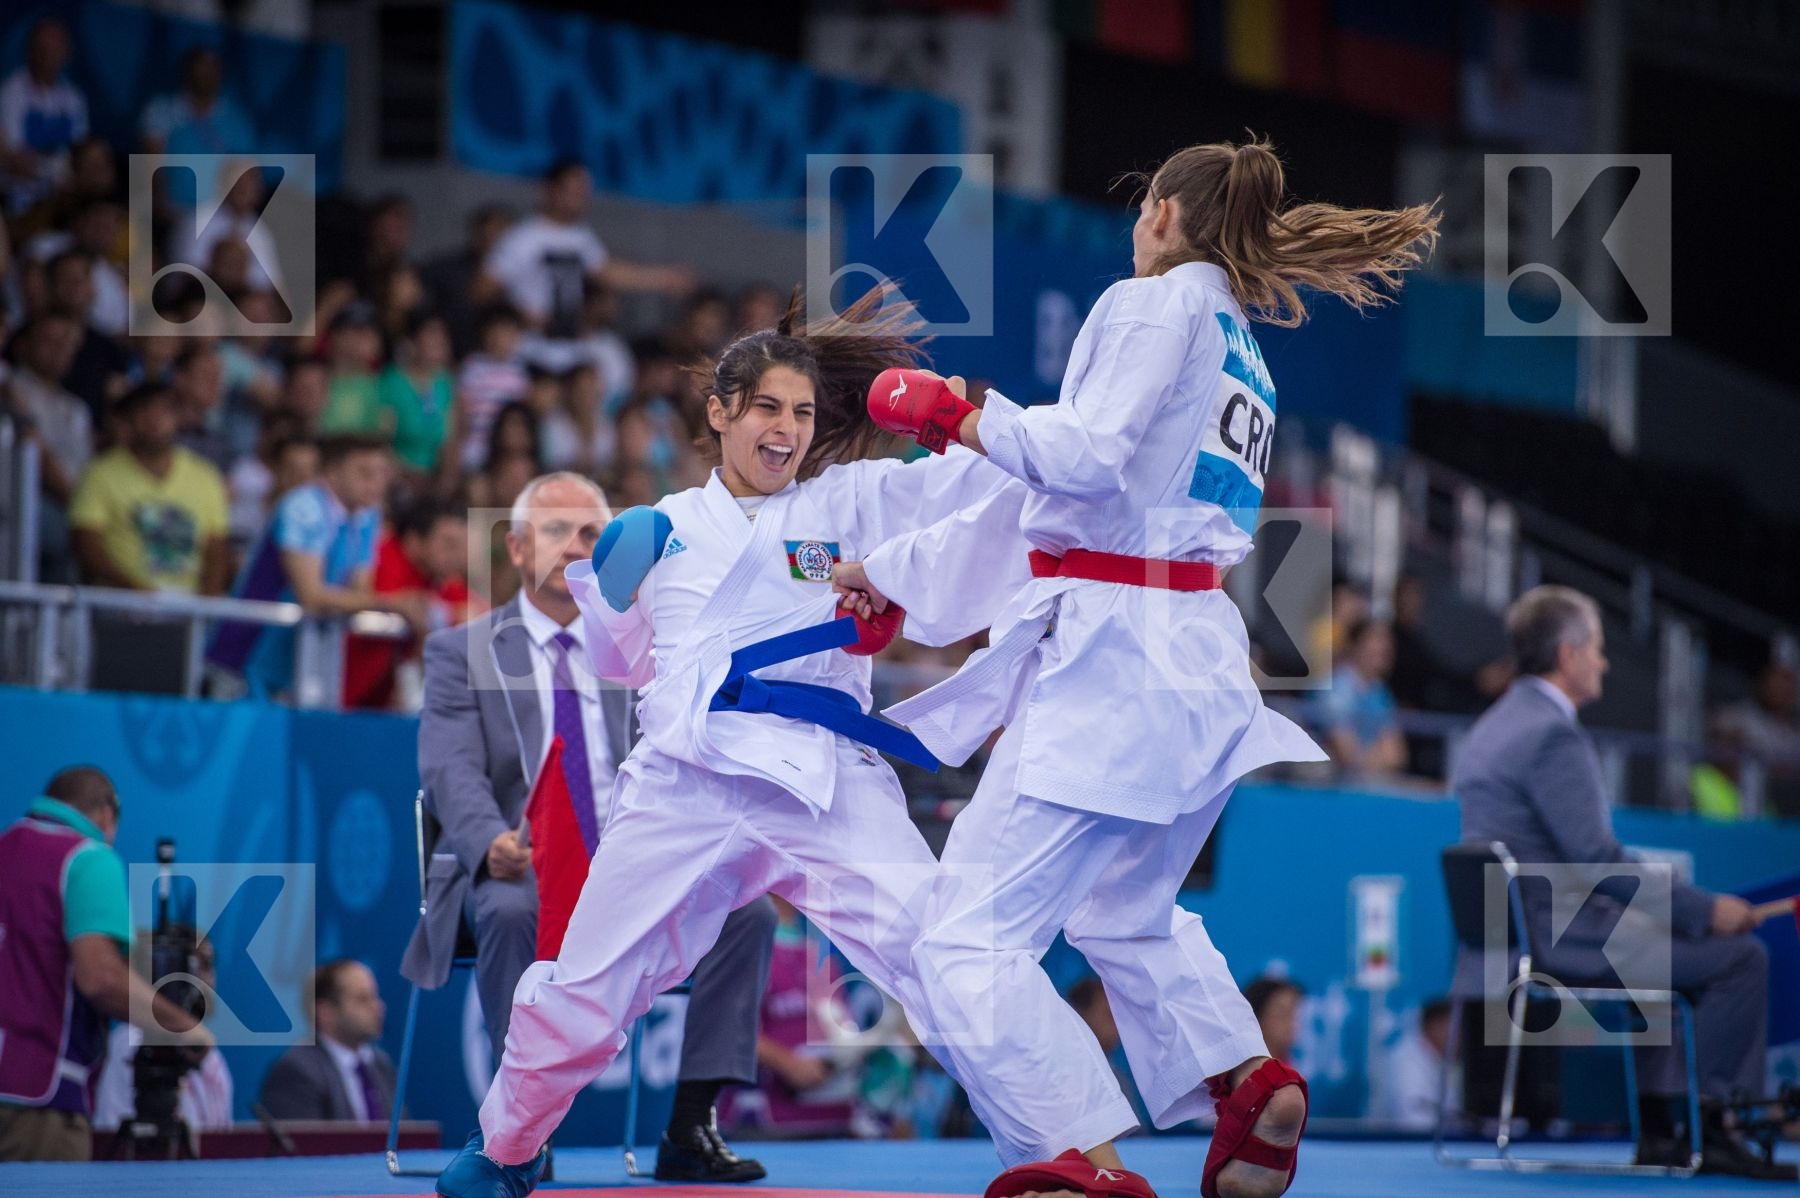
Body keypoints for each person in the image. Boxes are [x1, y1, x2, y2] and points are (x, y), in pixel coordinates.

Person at [839, 135, 1439, 1198]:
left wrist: (957, 413)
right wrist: (914, 546)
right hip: (1199, 652)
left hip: (1118, 657)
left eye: (1138, 208)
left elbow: (1083, 459)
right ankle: (1246, 1078)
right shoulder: (1238, 342)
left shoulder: (1152, 301)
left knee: (961, 939)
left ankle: (1078, 1157)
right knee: (1125, 911)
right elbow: (1082, 493)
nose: (1132, 226)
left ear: (1163, 211)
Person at [433, 292, 1059, 1198]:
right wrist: (608, 590)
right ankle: (507, 1146)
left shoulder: (849, 499)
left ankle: (1051, 1154)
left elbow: (992, 489)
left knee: (941, 954)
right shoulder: (665, 525)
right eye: (766, 407)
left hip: (827, 783)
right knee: (585, 986)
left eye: (803, 413)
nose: (788, 430)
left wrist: (955, 426)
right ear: (720, 413)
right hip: (686, 782)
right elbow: (622, 660)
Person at [409, 470, 778, 1182]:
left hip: (639, 861)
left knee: (748, 914)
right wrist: (491, 844)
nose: (576, 547)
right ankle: (521, 1129)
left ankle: (690, 1126)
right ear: (515, 548)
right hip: (522, 862)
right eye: (557, 532)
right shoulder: (462, 652)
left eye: (591, 534)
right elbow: (450, 772)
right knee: (510, 907)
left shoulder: (649, 646)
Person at [1454, 585, 1790, 1181]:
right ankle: (1713, 1127)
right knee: (1739, 958)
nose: (1605, 663)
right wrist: (1702, 910)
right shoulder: (1552, 734)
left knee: (1664, 957)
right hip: (1566, 938)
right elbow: (1594, 857)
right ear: (1568, 654)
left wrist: (1671, 912)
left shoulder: (1493, 726)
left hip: (1517, 936)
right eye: (1599, 650)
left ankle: (1667, 1134)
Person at [0, 767, 213, 1161]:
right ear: (105, 814)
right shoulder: (87, 857)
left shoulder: (6, 847)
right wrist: (183, 1026)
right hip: (40, 1103)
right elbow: (99, 977)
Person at [205, 435, 423, 698]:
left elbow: (360, 591)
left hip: (299, 664)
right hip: (245, 656)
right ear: (332, 473)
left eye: (382, 474)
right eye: (364, 473)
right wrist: (393, 603)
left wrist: (381, 601)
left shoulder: (367, 516)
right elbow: (311, 595)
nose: (376, 484)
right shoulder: (302, 508)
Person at [478, 159, 692, 377]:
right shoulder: (523, 238)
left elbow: (607, 271)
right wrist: (520, 313)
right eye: (575, 190)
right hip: (529, 349)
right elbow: (483, 289)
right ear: (551, 190)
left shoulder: (580, 237)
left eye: (585, 191)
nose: (582, 198)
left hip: (570, 349)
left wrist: (661, 278)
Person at [70, 381, 231, 595]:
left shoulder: (206, 476)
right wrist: (134, 592)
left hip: (188, 609)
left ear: (178, 418)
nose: (155, 418)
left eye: (165, 409)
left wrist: (206, 607)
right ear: (130, 419)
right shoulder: (99, 474)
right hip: (117, 605)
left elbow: (216, 551)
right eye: (145, 409)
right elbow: (86, 544)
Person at [93, 930, 234, 1134]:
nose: (206, 979)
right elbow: (111, 1135)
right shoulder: (134, 1042)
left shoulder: (212, 1057)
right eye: (193, 966)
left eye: (209, 964)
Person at [342, 498, 472, 711]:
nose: (458, 556)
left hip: (375, 707)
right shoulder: (381, 558)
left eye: (462, 546)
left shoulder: (436, 578)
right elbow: (408, 604)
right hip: (338, 697)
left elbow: (472, 611)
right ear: (414, 540)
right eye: (449, 544)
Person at [258, 960, 396, 1122]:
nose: (378, 1007)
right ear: (325, 1012)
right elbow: (307, 1145)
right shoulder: (296, 1071)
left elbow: (406, 1139)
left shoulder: (382, 1065)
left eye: (375, 997)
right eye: (362, 999)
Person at [0, 17, 87, 213]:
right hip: (19, 199)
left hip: (64, 198)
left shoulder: (74, 98)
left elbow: (80, 154)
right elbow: (16, 159)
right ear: (30, 50)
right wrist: (57, 172)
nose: (49, 54)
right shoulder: (11, 92)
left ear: (67, 53)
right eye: (43, 47)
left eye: (56, 48)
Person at [1308, 619, 1410, 781]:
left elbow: (1396, 756)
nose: (1382, 650)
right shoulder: (1333, 687)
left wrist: (1372, 758)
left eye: (1385, 651)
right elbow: (1347, 754)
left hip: (1372, 780)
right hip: (1329, 783)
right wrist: (1377, 755)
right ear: (1354, 647)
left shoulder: (1380, 692)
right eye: (1374, 648)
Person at [1375, 999, 1451, 1130]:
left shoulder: (1444, 1059)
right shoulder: (1406, 1060)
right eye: (1457, 1027)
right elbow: (1415, 1124)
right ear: (1436, 1026)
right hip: (1408, 1146)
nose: (1462, 1035)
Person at [1241, 977, 1303, 1065]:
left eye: (1295, 1015)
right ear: (1257, 1018)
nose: (1293, 1024)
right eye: (1283, 1014)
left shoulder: (1291, 1069)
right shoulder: (1236, 1073)